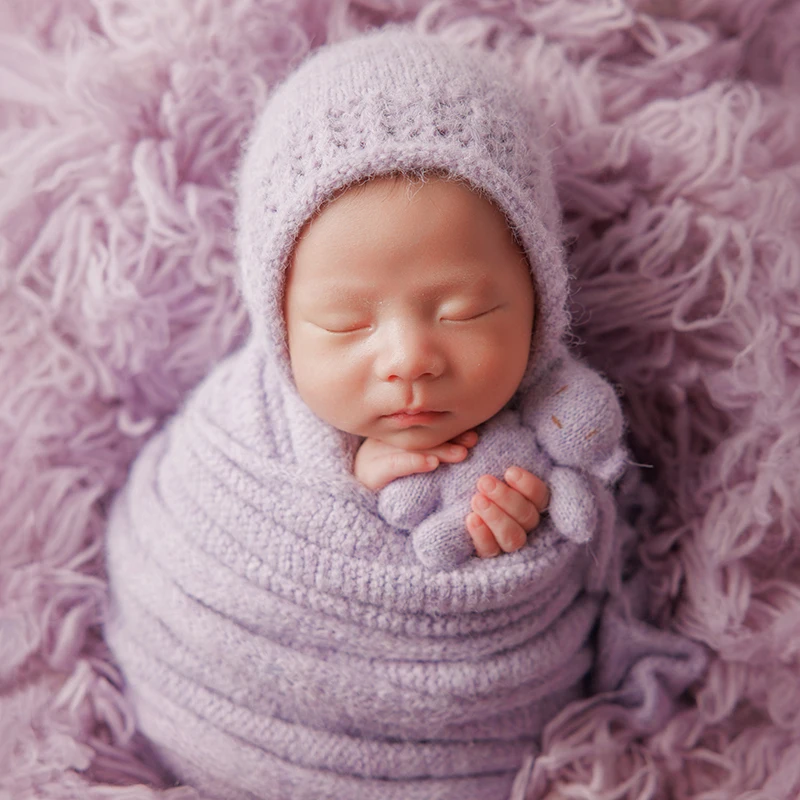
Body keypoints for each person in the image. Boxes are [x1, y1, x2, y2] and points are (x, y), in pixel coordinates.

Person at [104, 27, 705, 800]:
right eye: (347, 324)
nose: (409, 358)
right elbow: (183, 547)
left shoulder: (556, 432)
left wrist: (518, 532)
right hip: (206, 692)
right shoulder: (237, 429)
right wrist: (350, 472)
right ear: (278, 321)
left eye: (463, 311)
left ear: (540, 301)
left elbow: (582, 550)